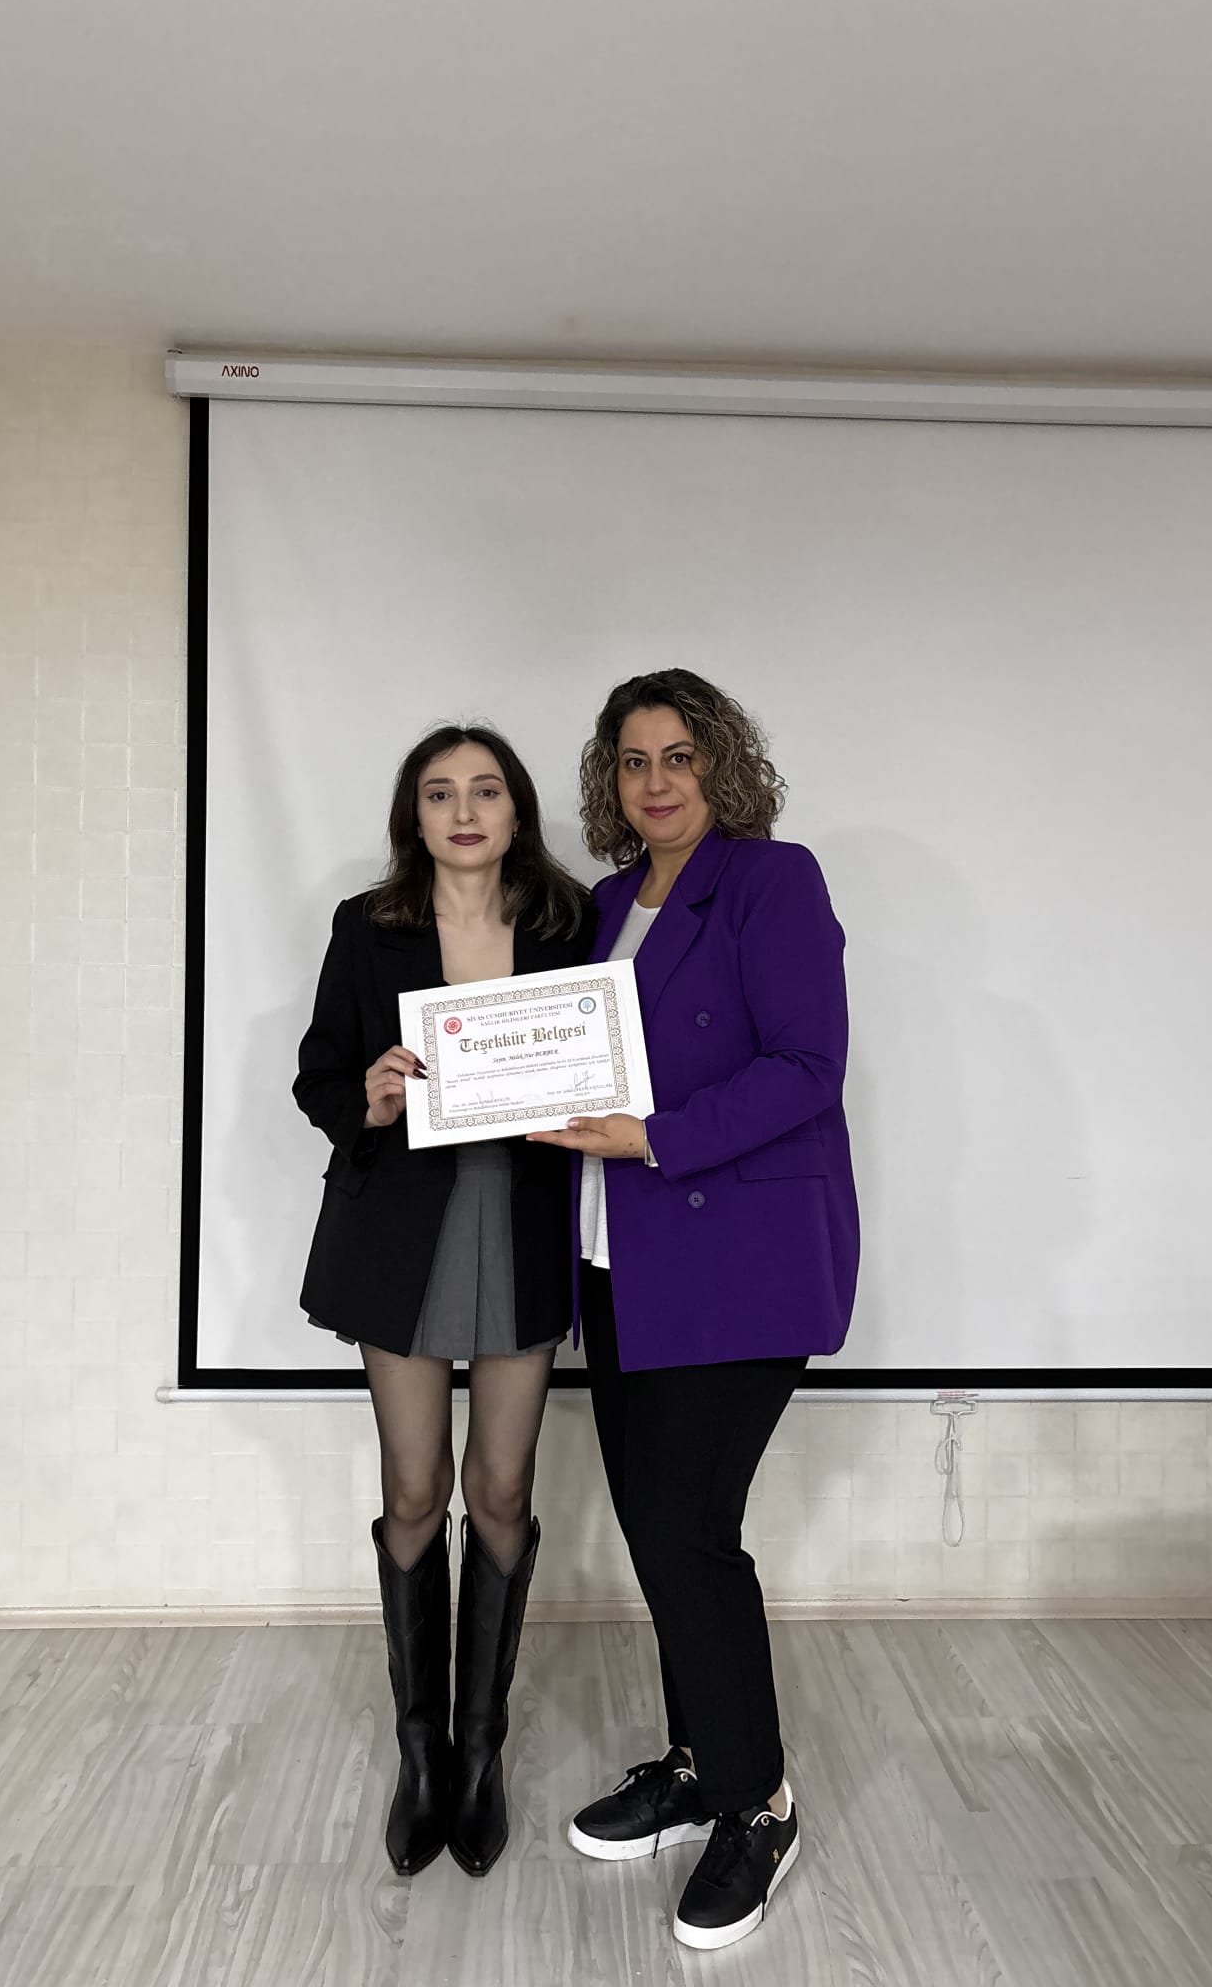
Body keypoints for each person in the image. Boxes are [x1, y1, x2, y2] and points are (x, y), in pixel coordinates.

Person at [529, 670, 859, 1951]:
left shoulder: (774, 882)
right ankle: (700, 1760)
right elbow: (554, 1054)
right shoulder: (611, 903)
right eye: (632, 760)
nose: (655, 780)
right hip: (624, 1263)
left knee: (686, 1533)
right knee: (660, 1532)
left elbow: (806, 1067)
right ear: (609, 781)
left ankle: (757, 1803)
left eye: (679, 755)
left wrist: (655, 1136)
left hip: (739, 1261)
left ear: (722, 763)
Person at [294, 724, 593, 1879]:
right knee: (415, 1489)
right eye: (438, 793)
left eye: (485, 790)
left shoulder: (569, 926)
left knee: (501, 1487)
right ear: (412, 816)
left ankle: (481, 1755)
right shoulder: (366, 928)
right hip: (400, 1233)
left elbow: (610, 1061)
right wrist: (367, 1097)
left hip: (520, 1223)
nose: (464, 812)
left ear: (516, 811)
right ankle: (421, 1756)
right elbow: (320, 1074)